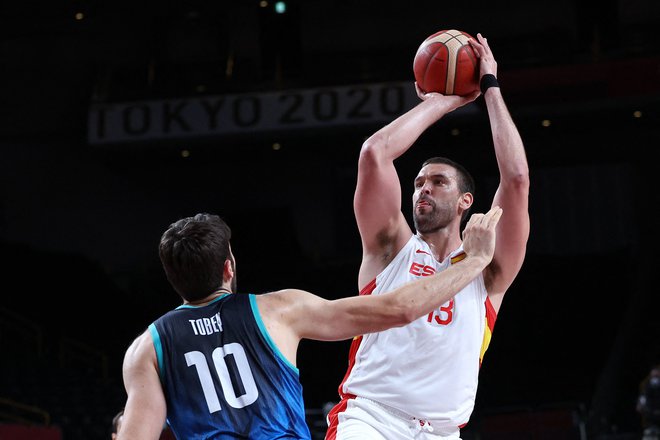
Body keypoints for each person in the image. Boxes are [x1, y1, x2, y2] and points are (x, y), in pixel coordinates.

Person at [117, 208, 502, 440]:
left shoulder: (147, 349)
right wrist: (472, 261)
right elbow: (399, 309)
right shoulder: (278, 309)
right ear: (228, 268)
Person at [325, 33, 530, 439]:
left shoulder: (486, 265)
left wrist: (489, 88)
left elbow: (517, 178)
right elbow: (374, 153)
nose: (423, 189)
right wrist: (444, 100)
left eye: (437, 182)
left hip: (441, 431)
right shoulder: (390, 248)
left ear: (465, 202)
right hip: (370, 418)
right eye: (418, 182)